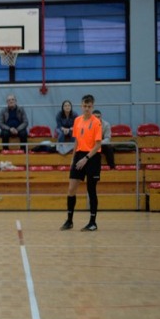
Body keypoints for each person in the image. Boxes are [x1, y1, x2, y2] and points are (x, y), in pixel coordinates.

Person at [61, 95, 103, 232]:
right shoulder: (77, 120)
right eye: (85, 106)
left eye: (89, 106)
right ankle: (69, 221)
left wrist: (86, 158)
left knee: (91, 190)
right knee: (71, 189)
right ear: (81, 106)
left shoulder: (96, 122)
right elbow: (77, 141)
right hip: (79, 155)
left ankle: (93, 222)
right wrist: (73, 158)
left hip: (92, 157)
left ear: (93, 106)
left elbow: (98, 145)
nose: (87, 109)